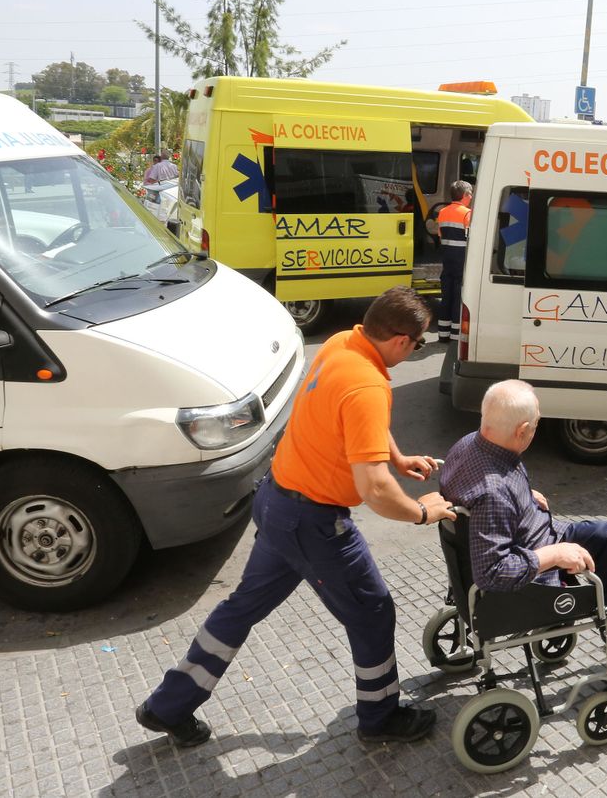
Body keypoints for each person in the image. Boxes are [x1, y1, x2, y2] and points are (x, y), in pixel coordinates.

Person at [137, 287, 456, 748]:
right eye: (419, 344)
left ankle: (166, 707)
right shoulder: (370, 385)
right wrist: (422, 511)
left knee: (240, 608)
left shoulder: (342, 343)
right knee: (372, 613)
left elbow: (349, 421)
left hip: (277, 499)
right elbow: (375, 489)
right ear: (403, 341)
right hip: (315, 523)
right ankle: (381, 717)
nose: (415, 351)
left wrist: (398, 456)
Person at [439, 380, 607, 627]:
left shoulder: (469, 444)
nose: (536, 431)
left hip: (518, 533)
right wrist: (554, 555)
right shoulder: (495, 493)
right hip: (528, 567)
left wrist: (523, 493)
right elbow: (493, 574)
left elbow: (480, 494)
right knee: (603, 536)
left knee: (601, 534)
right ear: (521, 430)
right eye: (536, 425)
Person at [435, 180, 474, 342]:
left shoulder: (442, 212)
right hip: (461, 261)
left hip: (447, 260)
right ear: (464, 195)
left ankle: (443, 334)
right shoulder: (467, 214)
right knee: (458, 297)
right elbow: (471, 238)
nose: (471, 197)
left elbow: (440, 235)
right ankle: (455, 335)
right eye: (470, 193)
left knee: (446, 296)